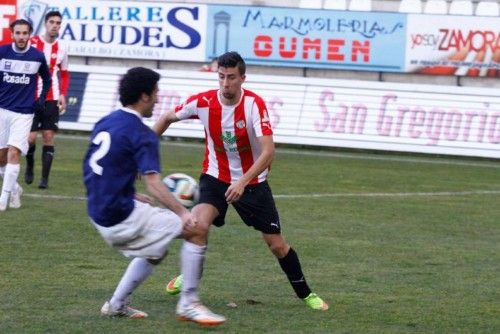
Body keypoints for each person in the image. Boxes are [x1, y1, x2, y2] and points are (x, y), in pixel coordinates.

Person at [153, 51, 329, 311]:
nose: (226, 83)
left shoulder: (254, 106)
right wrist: (142, 153)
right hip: (215, 177)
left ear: (242, 78)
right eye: (221, 77)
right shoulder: (203, 102)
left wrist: (243, 182)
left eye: (232, 77)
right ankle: (190, 276)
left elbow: (269, 151)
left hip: (253, 182)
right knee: (197, 226)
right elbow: (166, 117)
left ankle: (306, 294)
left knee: (277, 245)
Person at [82, 67, 225, 326]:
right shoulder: (142, 134)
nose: (158, 99)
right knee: (197, 229)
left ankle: (116, 305)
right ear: (145, 96)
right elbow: (153, 182)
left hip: (99, 214)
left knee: (156, 249)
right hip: (121, 217)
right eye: (156, 93)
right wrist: (183, 213)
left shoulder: (105, 122)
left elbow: (93, 170)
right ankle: (189, 303)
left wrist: (129, 194)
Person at [0, 19, 51, 211]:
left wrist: (41, 99)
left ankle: (3, 199)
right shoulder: (2, 52)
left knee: (14, 152)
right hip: (2, 110)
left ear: (30, 34)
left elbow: (47, 79)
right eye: (18, 33)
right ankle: (15, 189)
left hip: (24, 113)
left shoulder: (37, 56)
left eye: (25, 33)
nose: (21, 37)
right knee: (1, 159)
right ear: (12, 33)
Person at [25, 10, 70, 189]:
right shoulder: (33, 43)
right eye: (52, 22)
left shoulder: (63, 48)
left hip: (51, 97)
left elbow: (65, 74)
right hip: (31, 97)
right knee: (29, 139)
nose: (55, 25)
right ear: (46, 23)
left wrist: (63, 94)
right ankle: (29, 165)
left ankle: (44, 179)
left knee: (49, 136)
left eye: (58, 23)